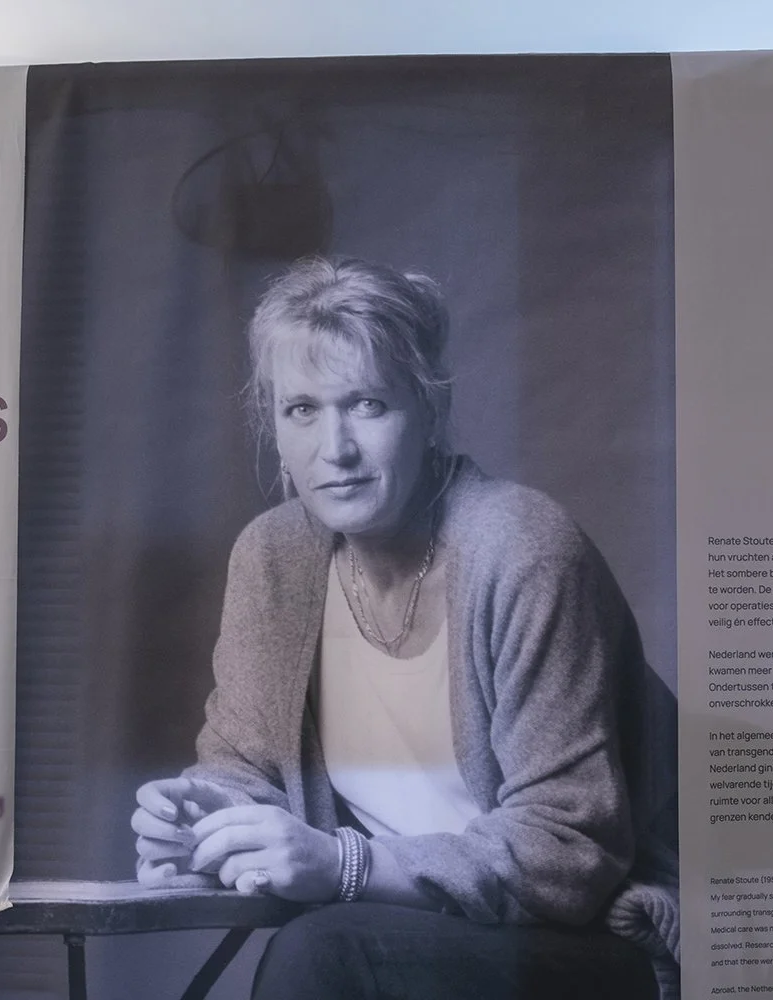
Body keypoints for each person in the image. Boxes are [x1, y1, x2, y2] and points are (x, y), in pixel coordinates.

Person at [130, 256, 671, 999]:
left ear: (429, 408)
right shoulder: (274, 557)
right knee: (328, 945)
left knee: (324, 950)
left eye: (368, 405)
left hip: (579, 942)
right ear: (274, 427)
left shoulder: (523, 549)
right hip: (391, 935)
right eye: (302, 410)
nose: (336, 450)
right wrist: (206, 823)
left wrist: (344, 865)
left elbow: (567, 850)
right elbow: (243, 766)